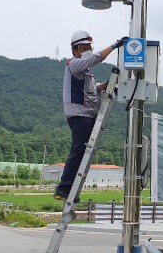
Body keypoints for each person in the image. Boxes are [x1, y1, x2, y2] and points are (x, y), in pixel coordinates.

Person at [54, 30, 126, 203]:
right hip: (80, 115)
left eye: (89, 47)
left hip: (87, 115)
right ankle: (64, 188)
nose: (88, 50)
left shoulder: (85, 72)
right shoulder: (74, 64)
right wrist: (114, 45)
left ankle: (68, 188)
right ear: (76, 50)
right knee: (79, 150)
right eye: (85, 47)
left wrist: (107, 85)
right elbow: (95, 59)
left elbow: (94, 90)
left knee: (81, 150)